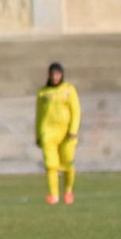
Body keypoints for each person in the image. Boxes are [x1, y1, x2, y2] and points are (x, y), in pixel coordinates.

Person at [35, 62, 81, 205]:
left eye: (57, 74)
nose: (55, 77)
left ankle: (68, 190)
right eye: (52, 74)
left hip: (66, 133)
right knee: (51, 164)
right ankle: (54, 195)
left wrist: (73, 130)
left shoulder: (69, 90)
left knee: (68, 163)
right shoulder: (43, 92)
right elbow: (39, 115)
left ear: (61, 75)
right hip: (48, 132)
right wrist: (38, 134)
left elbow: (76, 111)